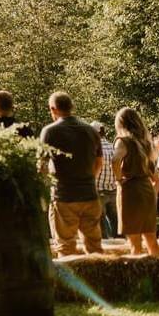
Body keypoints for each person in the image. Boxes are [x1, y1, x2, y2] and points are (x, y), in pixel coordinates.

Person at [40, 92, 103, 256]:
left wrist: (49, 185)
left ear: (53, 109)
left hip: (64, 197)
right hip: (90, 195)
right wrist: (88, 179)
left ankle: (68, 281)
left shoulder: (49, 132)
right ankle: (98, 281)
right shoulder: (91, 130)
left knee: (65, 248)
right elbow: (99, 162)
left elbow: (41, 165)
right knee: (95, 248)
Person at [112, 108, 159, 256]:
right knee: (152, 240)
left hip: (131, 190)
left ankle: (139, 278)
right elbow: (155, 175)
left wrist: (119, 179)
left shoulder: (123, 141)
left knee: (135, 243)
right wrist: (154, 191)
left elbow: (115, 160)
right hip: (146, 189)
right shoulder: (145, 142)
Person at [91, 121, 119, 239]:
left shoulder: (94, 149)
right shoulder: (113, 147)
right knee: (116, 221)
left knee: (100, 223)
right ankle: (121, 244)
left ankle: (105, 245)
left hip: (99, 191)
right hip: (113, 190)